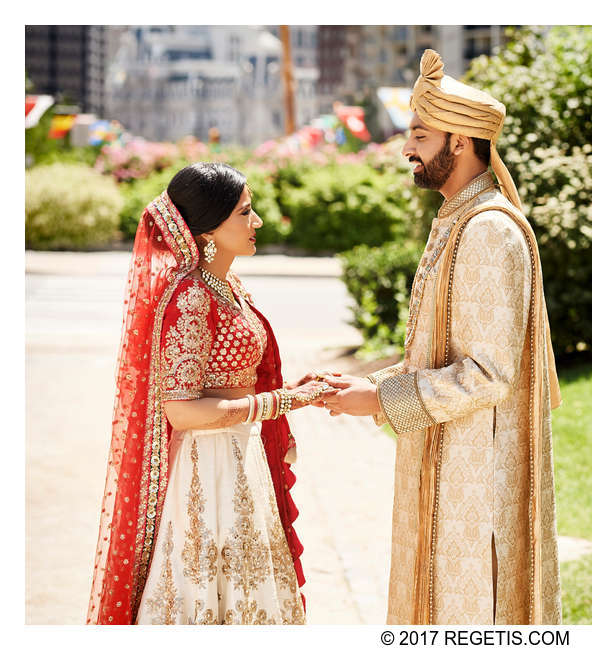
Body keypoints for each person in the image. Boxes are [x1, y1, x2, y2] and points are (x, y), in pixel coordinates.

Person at [317, 49, 563, 624]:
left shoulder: (488, 230)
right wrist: (366, 385)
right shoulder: (458, 219)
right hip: (447, 458)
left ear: (460, 143)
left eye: (421, 136)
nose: (407, 149)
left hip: (478, 476)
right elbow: (437, 353)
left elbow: (489, 373)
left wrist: (380, 400)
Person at [86, 162, 328, 624]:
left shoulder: (228, 286)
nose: (256, 222)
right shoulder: (192, 296)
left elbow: (236, 378)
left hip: (240, 455)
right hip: (207, 470)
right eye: (245, 212)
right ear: (209, 230)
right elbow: (182, 412)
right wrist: (282, 403)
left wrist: (296, 391)